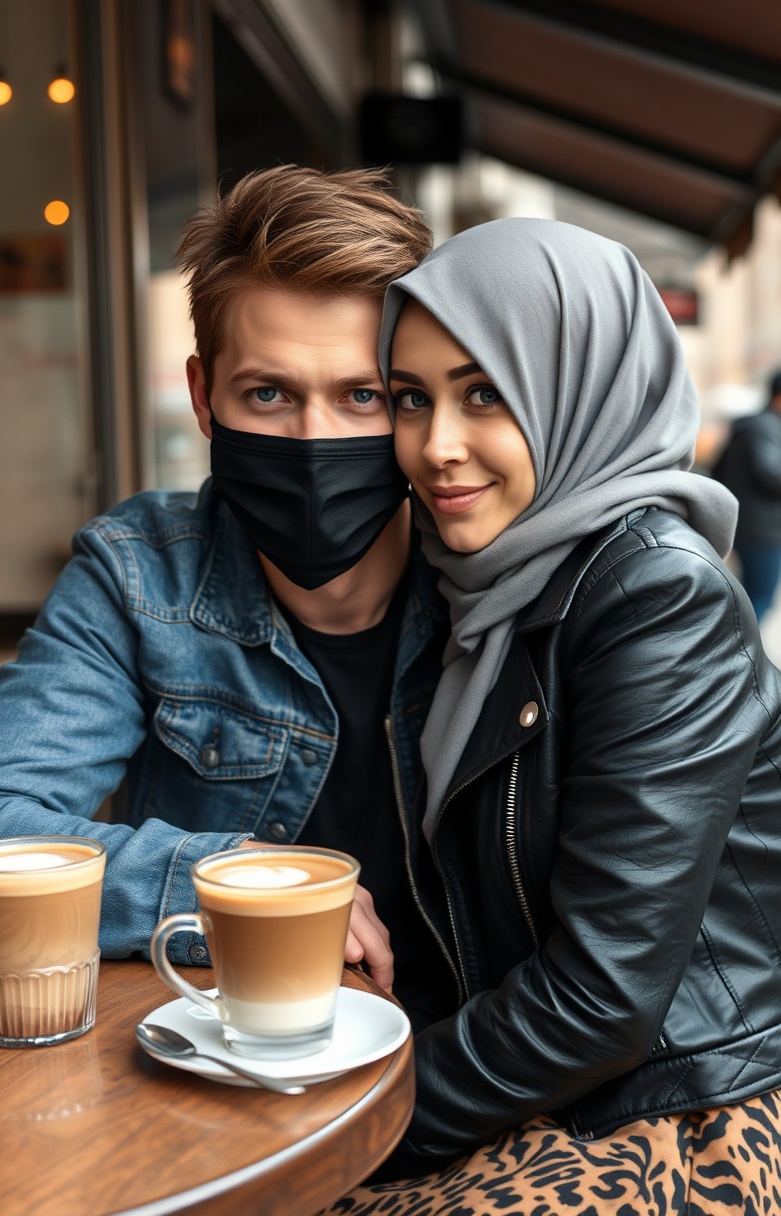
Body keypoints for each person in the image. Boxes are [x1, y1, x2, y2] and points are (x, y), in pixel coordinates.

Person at [326, 218, 781, 1212]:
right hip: (534, 1093)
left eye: (485, 392)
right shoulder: (472, 587)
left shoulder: (655, 594)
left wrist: (350, 1121)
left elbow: (602, 998)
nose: (436, 446)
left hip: (678, 1114)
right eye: (411, 398)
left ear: (578, 384)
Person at [0, 166, 456, 1028]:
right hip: (238, 1074)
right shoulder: (141, 573)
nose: (312, 438)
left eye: (361, 396)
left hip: (486, 1070)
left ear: (413, 402)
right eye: (269, 393)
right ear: (201, 398)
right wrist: (242, 885)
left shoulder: (499, 577)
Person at [711, 366, 781, 622]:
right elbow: (770, 473)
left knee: (750, 597)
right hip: (763, 531)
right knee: (759, 598)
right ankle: (743, 655)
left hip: (750, 526)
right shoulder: (766, 428)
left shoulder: (752, 425)